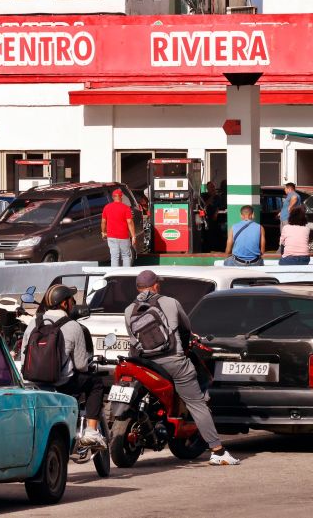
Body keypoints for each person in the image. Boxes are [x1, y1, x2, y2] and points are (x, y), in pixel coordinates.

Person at [123, 270, 240, 466]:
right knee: (197, 403)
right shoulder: (170, 302)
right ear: (155, 286)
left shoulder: (129, 310)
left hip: (145, 365)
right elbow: (186, 329)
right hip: (173, 361)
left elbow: (134, 340)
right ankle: (218, 451)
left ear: (137, 288)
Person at [23, 284, 107, 447]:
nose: (74, 304)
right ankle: (91, 432)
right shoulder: (73, 326)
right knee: (96, 383)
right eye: (72, 300)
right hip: (62, 384)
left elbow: (25, 354)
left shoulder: (33, 322)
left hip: (33, 384)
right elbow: (81, 365)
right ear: (64, 304)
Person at [101, 189, 137, 267]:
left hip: (111, 236)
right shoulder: (126, 208)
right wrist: (133, 236)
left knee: (114, 257)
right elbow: (130, 222)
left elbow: (103, 222)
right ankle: (126, 275)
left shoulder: (107, 207)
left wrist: (103, 232)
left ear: (113, 197)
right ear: (121, 197)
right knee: (126, 256)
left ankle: (114, 276)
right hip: (123, 236)